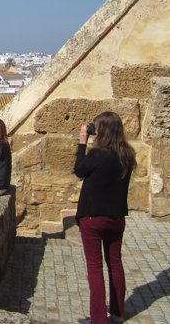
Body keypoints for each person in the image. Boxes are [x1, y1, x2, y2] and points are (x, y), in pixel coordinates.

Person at [74, 111, 136, 324]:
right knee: (115, 263)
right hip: (116, 217)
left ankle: (98, 319)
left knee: (95, 267)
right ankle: (118, 313)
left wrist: (83, 142)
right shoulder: (127, 154)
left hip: (93, 217)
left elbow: (79, 170)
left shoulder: (97, 155)